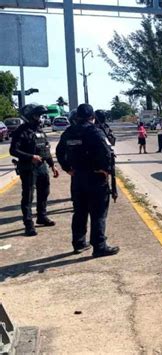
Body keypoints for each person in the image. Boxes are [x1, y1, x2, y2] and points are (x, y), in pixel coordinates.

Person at [56, 103, 119, 257]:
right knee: (98, 213)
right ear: (92, 117)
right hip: (95, 178)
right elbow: (106, 152)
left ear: (77, 116)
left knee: (80, 211)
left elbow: (59, 151)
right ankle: (99, 246)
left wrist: (67, 168)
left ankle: (79, 243)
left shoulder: (69, 132)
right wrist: (105, 170)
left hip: (77, 178)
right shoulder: (95, 132)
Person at [10, 104, 60, 236]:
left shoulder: (39, 130)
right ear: (29, 116)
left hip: (42, 166)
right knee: (28, 196)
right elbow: (13, 150)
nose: (39, 118)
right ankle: (28, 224)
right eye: (37, 115)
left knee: (44, 191)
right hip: (28, 167)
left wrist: (52, 165)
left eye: (40, 116)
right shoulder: (21, 131)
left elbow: (45, 149)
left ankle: (41, 216)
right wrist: (30, 157)